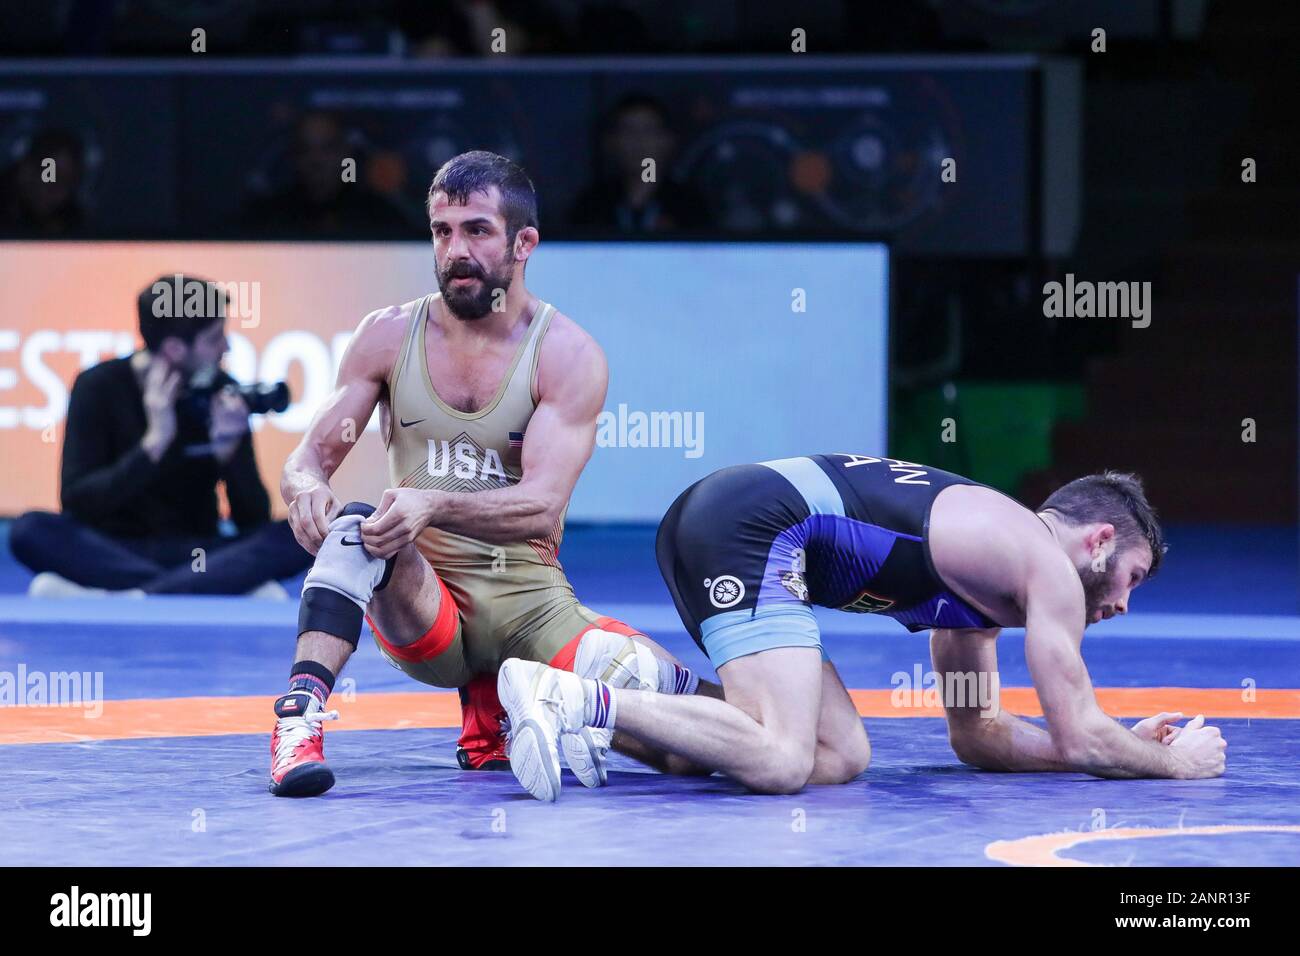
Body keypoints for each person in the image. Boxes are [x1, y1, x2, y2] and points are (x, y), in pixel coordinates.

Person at [270, 151, 713, 798]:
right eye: (442, 231)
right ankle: (297, 722)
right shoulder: (387, 337)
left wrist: (431, 504)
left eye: (477, 230)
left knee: (700, 745)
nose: (455, 251)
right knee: (359, 529)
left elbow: (539, 506)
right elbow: (308, 457)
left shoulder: (566, 354)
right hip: (427, 610)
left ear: (523, 242)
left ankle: (553, 700)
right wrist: (304, 487)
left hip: (531, 609)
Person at [497, 455, 1229, 801]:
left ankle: (639, 694)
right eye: (1132, 578)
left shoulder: (987, 593)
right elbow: (1078, 735)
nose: (1124, 605)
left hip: (737, 524)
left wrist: (1119, 747)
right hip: (750, 527)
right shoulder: (1046, 569)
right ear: (1098, 542)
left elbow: (979, 733)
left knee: (837, 753)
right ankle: (568, 697)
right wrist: (1172, 762)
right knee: (782, 759)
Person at [9, 275, 312, 596]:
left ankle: (141, 595)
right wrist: (153, 445)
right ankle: (189, 588)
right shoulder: (98, 386)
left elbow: (253, 521)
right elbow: (79, 503)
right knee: (30, 529)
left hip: (198, 553)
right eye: (215, 338)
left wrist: (230, 451)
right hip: (113, 550)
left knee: (297, 534)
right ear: (174, 349)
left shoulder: (221, 392)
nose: (226, 347)